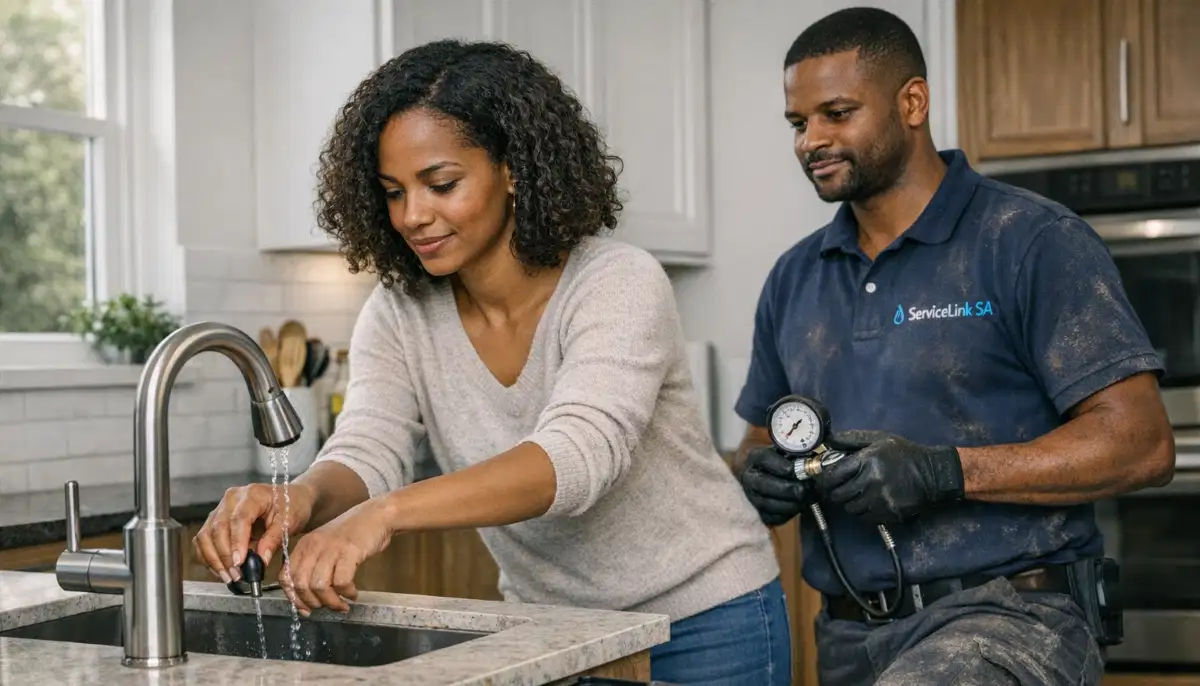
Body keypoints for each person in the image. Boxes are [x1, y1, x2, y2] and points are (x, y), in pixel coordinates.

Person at [192, 39, 790, 685]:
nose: (414, 216)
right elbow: (369, 446)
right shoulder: (400, 311)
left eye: (441, 184)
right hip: (549, 624)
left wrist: (384, 514)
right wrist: (301, 497)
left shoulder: (616, 280)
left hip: (703, 619)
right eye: (394, 192)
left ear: (514, 168)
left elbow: (578, 457)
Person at [732, 7, 1175, 686]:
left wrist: (946, 472)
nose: (810, 141)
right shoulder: (795, 278)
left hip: (1013, 619)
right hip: (847, 636)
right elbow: (762, 438)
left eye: (837, 113)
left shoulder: (1028, 240)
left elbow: (1142, 444)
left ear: (913, 102)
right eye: (799, 123)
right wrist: (755, 474)